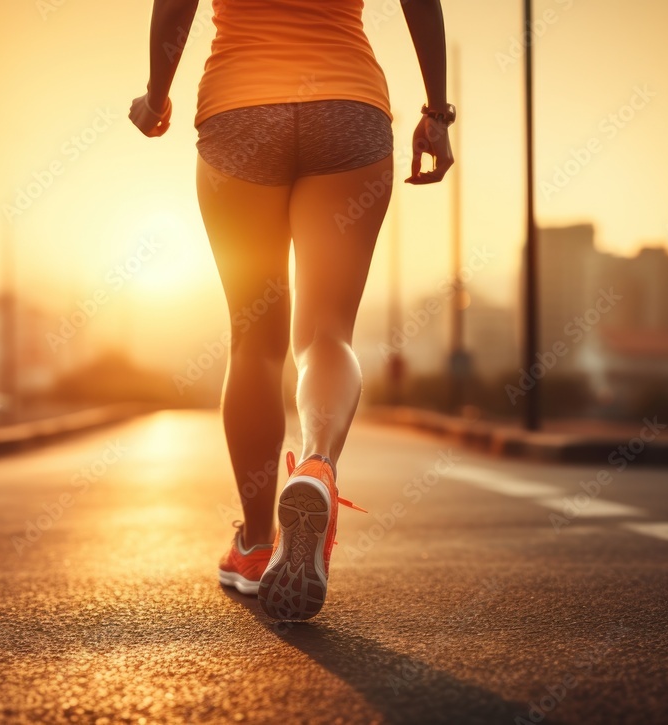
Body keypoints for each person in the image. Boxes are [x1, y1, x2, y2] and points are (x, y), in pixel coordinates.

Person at [129, 0, 455, 620]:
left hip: (239, 109)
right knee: (325, 334)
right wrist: (436, 114)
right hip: (348, 110)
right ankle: (317, 465)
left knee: (256, 341)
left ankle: (255, 544)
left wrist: (156, 95)